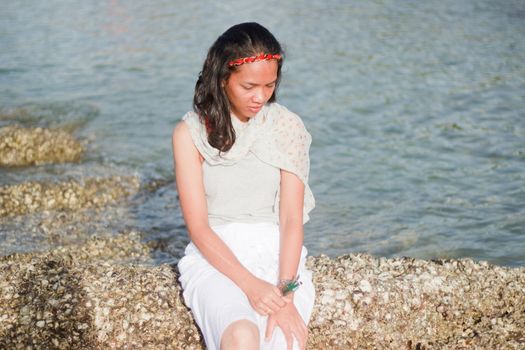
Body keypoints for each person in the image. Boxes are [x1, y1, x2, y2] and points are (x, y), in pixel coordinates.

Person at [172, 22, 315, 350]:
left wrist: (286, 293)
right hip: (216, 260)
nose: (260, 97)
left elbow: (291, 220)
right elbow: (198, 227)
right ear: (223, 78)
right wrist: (251, 286)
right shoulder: (189, 133)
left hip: (280, 259)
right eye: (250, 86)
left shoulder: (286, 127)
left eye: (269, 85)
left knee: (284, 340)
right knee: (241, 336)